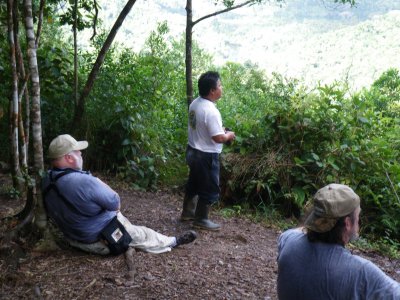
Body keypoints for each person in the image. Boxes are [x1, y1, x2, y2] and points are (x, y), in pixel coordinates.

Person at [42, 134, 197, 255]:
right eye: (77, 151)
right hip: (101, 240)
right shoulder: (82, 181)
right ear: (69, 158)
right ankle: (172, 241)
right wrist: (97, 180)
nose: (81, 153)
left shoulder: (46, 179)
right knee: (141, 234)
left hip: (74, 239)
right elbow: (115, 202)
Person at [277, 183, 400, 299]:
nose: (358, 224)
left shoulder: (289, 241)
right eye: (358, 218)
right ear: (347, 223)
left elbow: (297, 231)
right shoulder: (361, 272)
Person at [180, 71, 236, 231]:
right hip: (205, 155)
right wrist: (228, 135)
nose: (221, 87)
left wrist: (220, 130)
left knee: (194, 182)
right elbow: (218, 138)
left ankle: (188, 212)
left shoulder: (195, 103)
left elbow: (201, 126)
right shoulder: (211, 111)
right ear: (212, 91)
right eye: (219, 85)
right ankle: (201, 219)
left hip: (192, 150)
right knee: (209, 187)